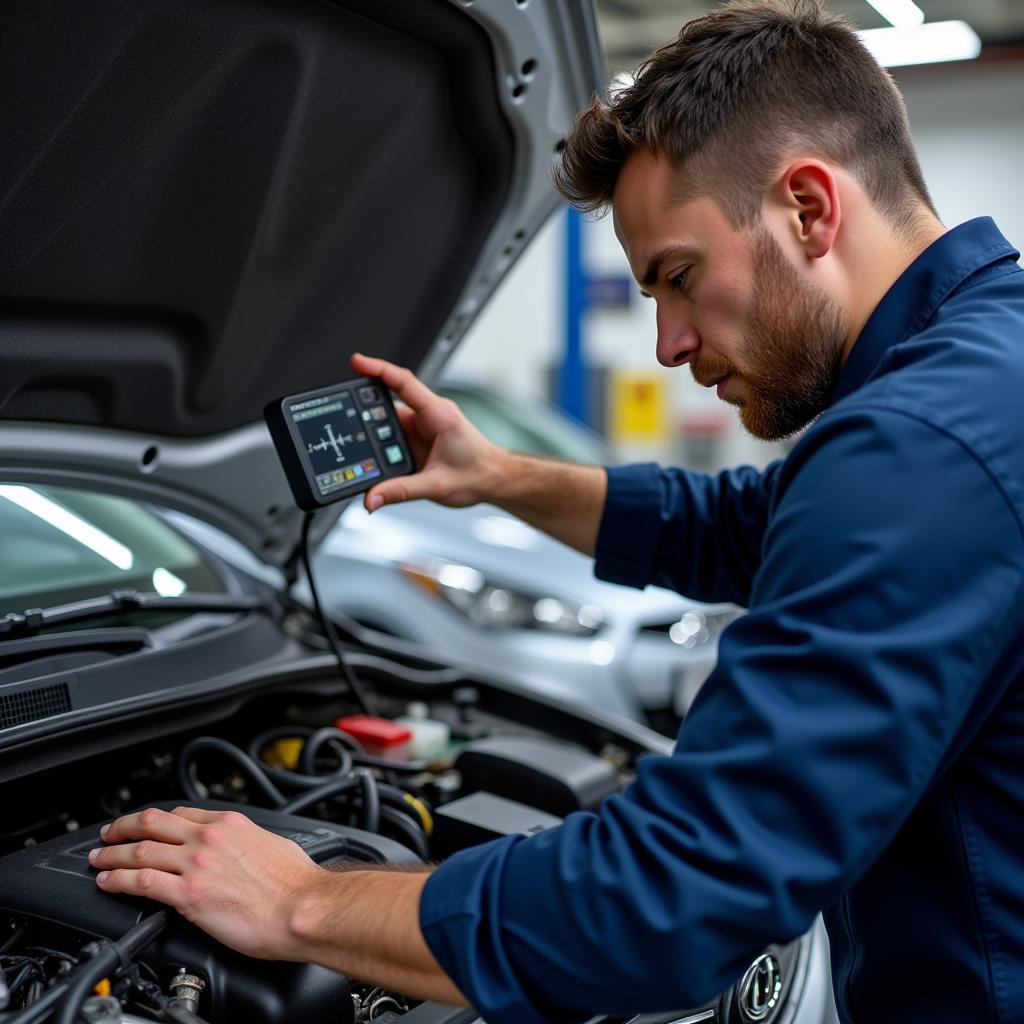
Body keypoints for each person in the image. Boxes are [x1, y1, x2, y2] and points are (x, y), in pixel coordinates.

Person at [87, 1, 1024, 1021]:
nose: (665, 343)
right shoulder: (979, 371)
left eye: (676, 276)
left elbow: (670, 900)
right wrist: (497, 475)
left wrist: (305, 901)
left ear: (807, 206)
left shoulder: (919, 446)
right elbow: (739, 527)